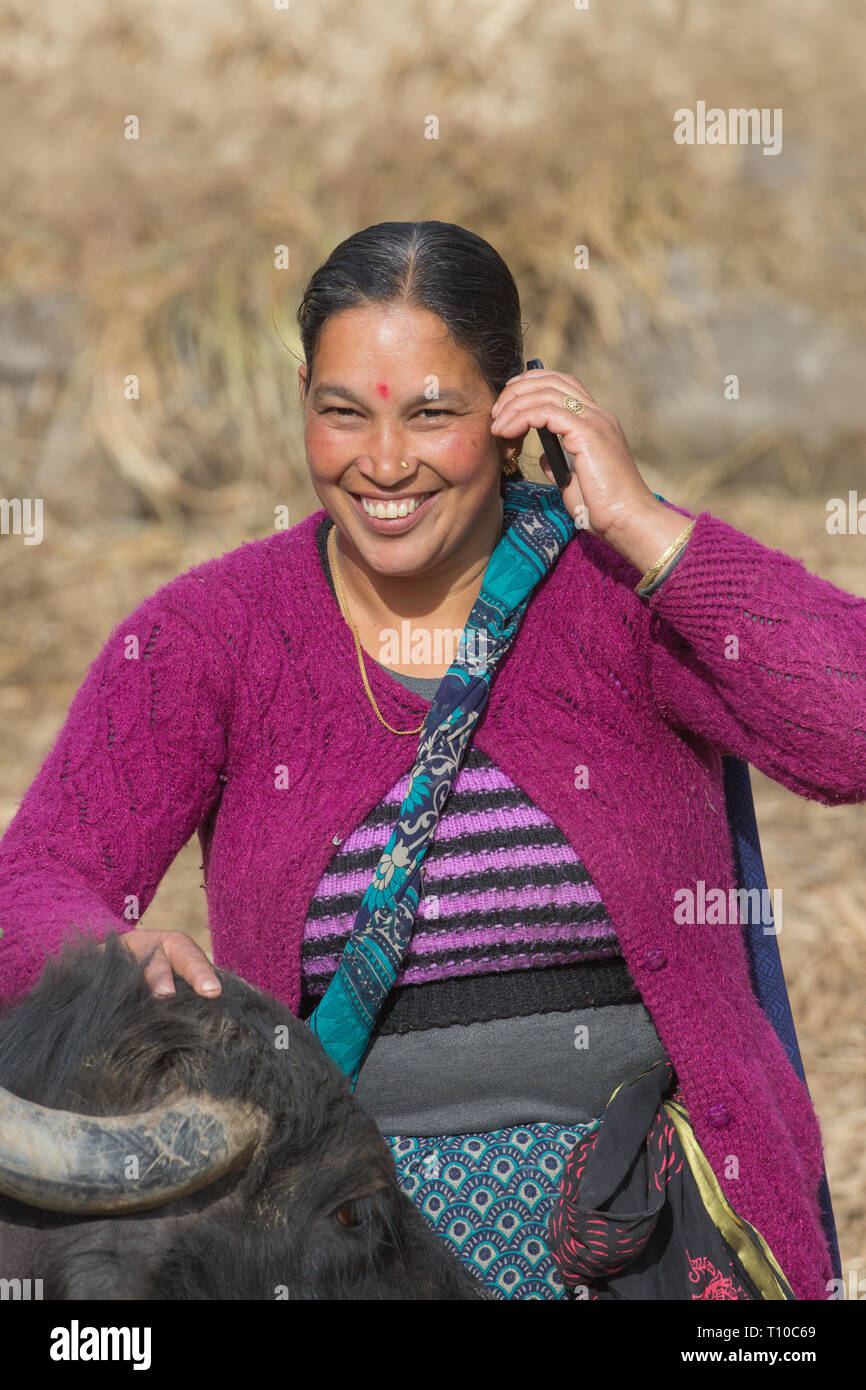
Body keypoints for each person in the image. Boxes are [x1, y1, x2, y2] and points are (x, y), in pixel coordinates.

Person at [0, 220, 862, 1301]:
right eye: (342, 412)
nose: (384, 462)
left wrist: (645, 528)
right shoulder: (212, 635)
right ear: (302, 398)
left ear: (514, 416)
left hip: (646, 1242)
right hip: (346, 1252)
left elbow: (850, 728)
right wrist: (106, 947)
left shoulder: (616, 596)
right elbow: (29, 881)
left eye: (433, 413)